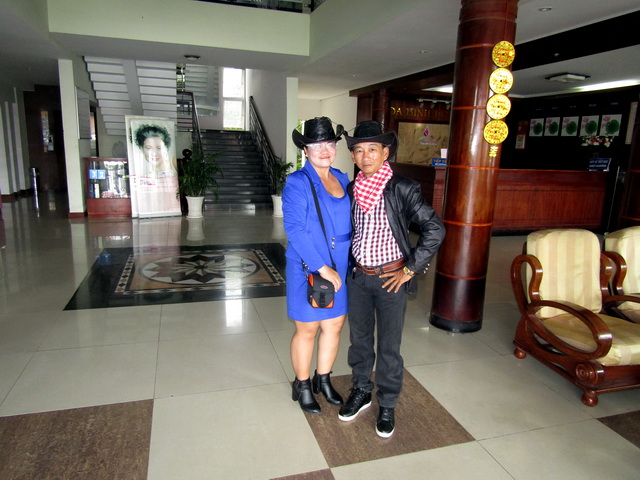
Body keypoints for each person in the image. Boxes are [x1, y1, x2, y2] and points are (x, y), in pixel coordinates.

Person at [338, 120, 445, 437]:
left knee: (388, 346)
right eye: (359, 150)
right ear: (353, 156)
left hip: (390, 279)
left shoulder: (402, 188)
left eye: (372, 149)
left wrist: (410, 269)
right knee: (359, 341)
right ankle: (361, 390)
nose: (365, 156)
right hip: (359, 277)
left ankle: (387, 403)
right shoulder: (352, 189)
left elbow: (435, 229)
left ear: (385, 152)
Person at [283, 117, 351, 414]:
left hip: (341, 264)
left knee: (334, 325)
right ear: (305, 150)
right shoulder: (297, 182)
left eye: (330, 144)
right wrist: (321, 267)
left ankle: (323, 379)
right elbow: (295, 230)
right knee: (308, 328)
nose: (324, 150)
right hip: (308, 264)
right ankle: (302, 384)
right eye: (317, 145)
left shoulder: (343, 178)